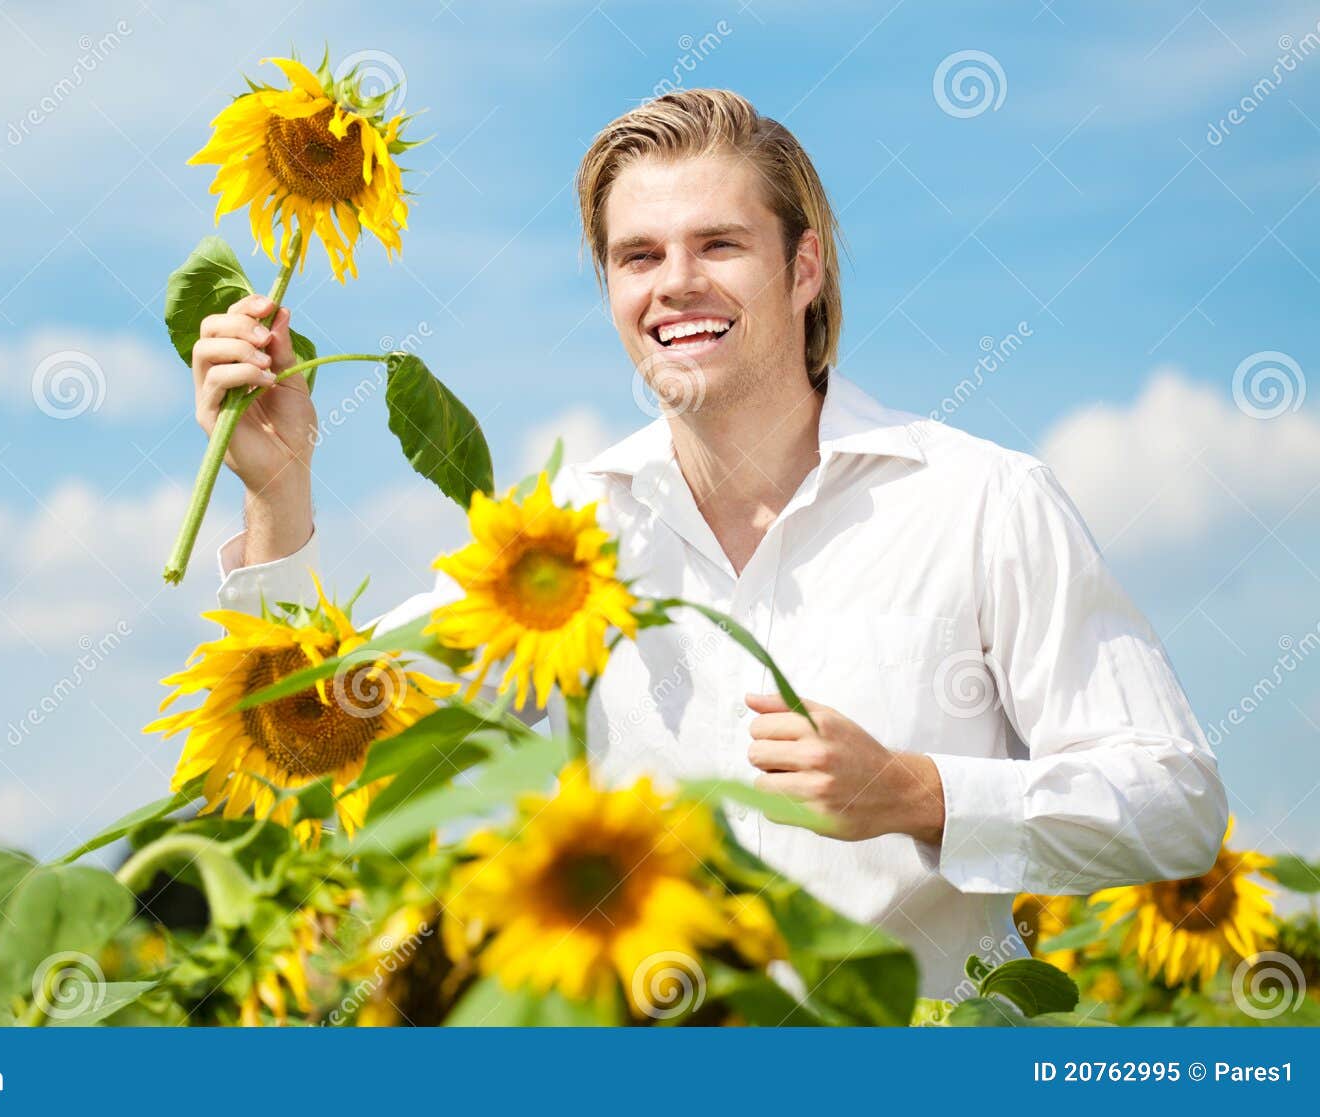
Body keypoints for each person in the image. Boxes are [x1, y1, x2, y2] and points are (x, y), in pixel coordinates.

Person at [186, 88, 1228, 1000]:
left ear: (803, 267)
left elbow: (1174, 801)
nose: (675, 282)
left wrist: (918, 793)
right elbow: (324, 750)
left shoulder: (981, 501)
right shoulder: (564, 537)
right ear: (610, 290)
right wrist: (279, 490)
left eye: (719, 245)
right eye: (638, 256)